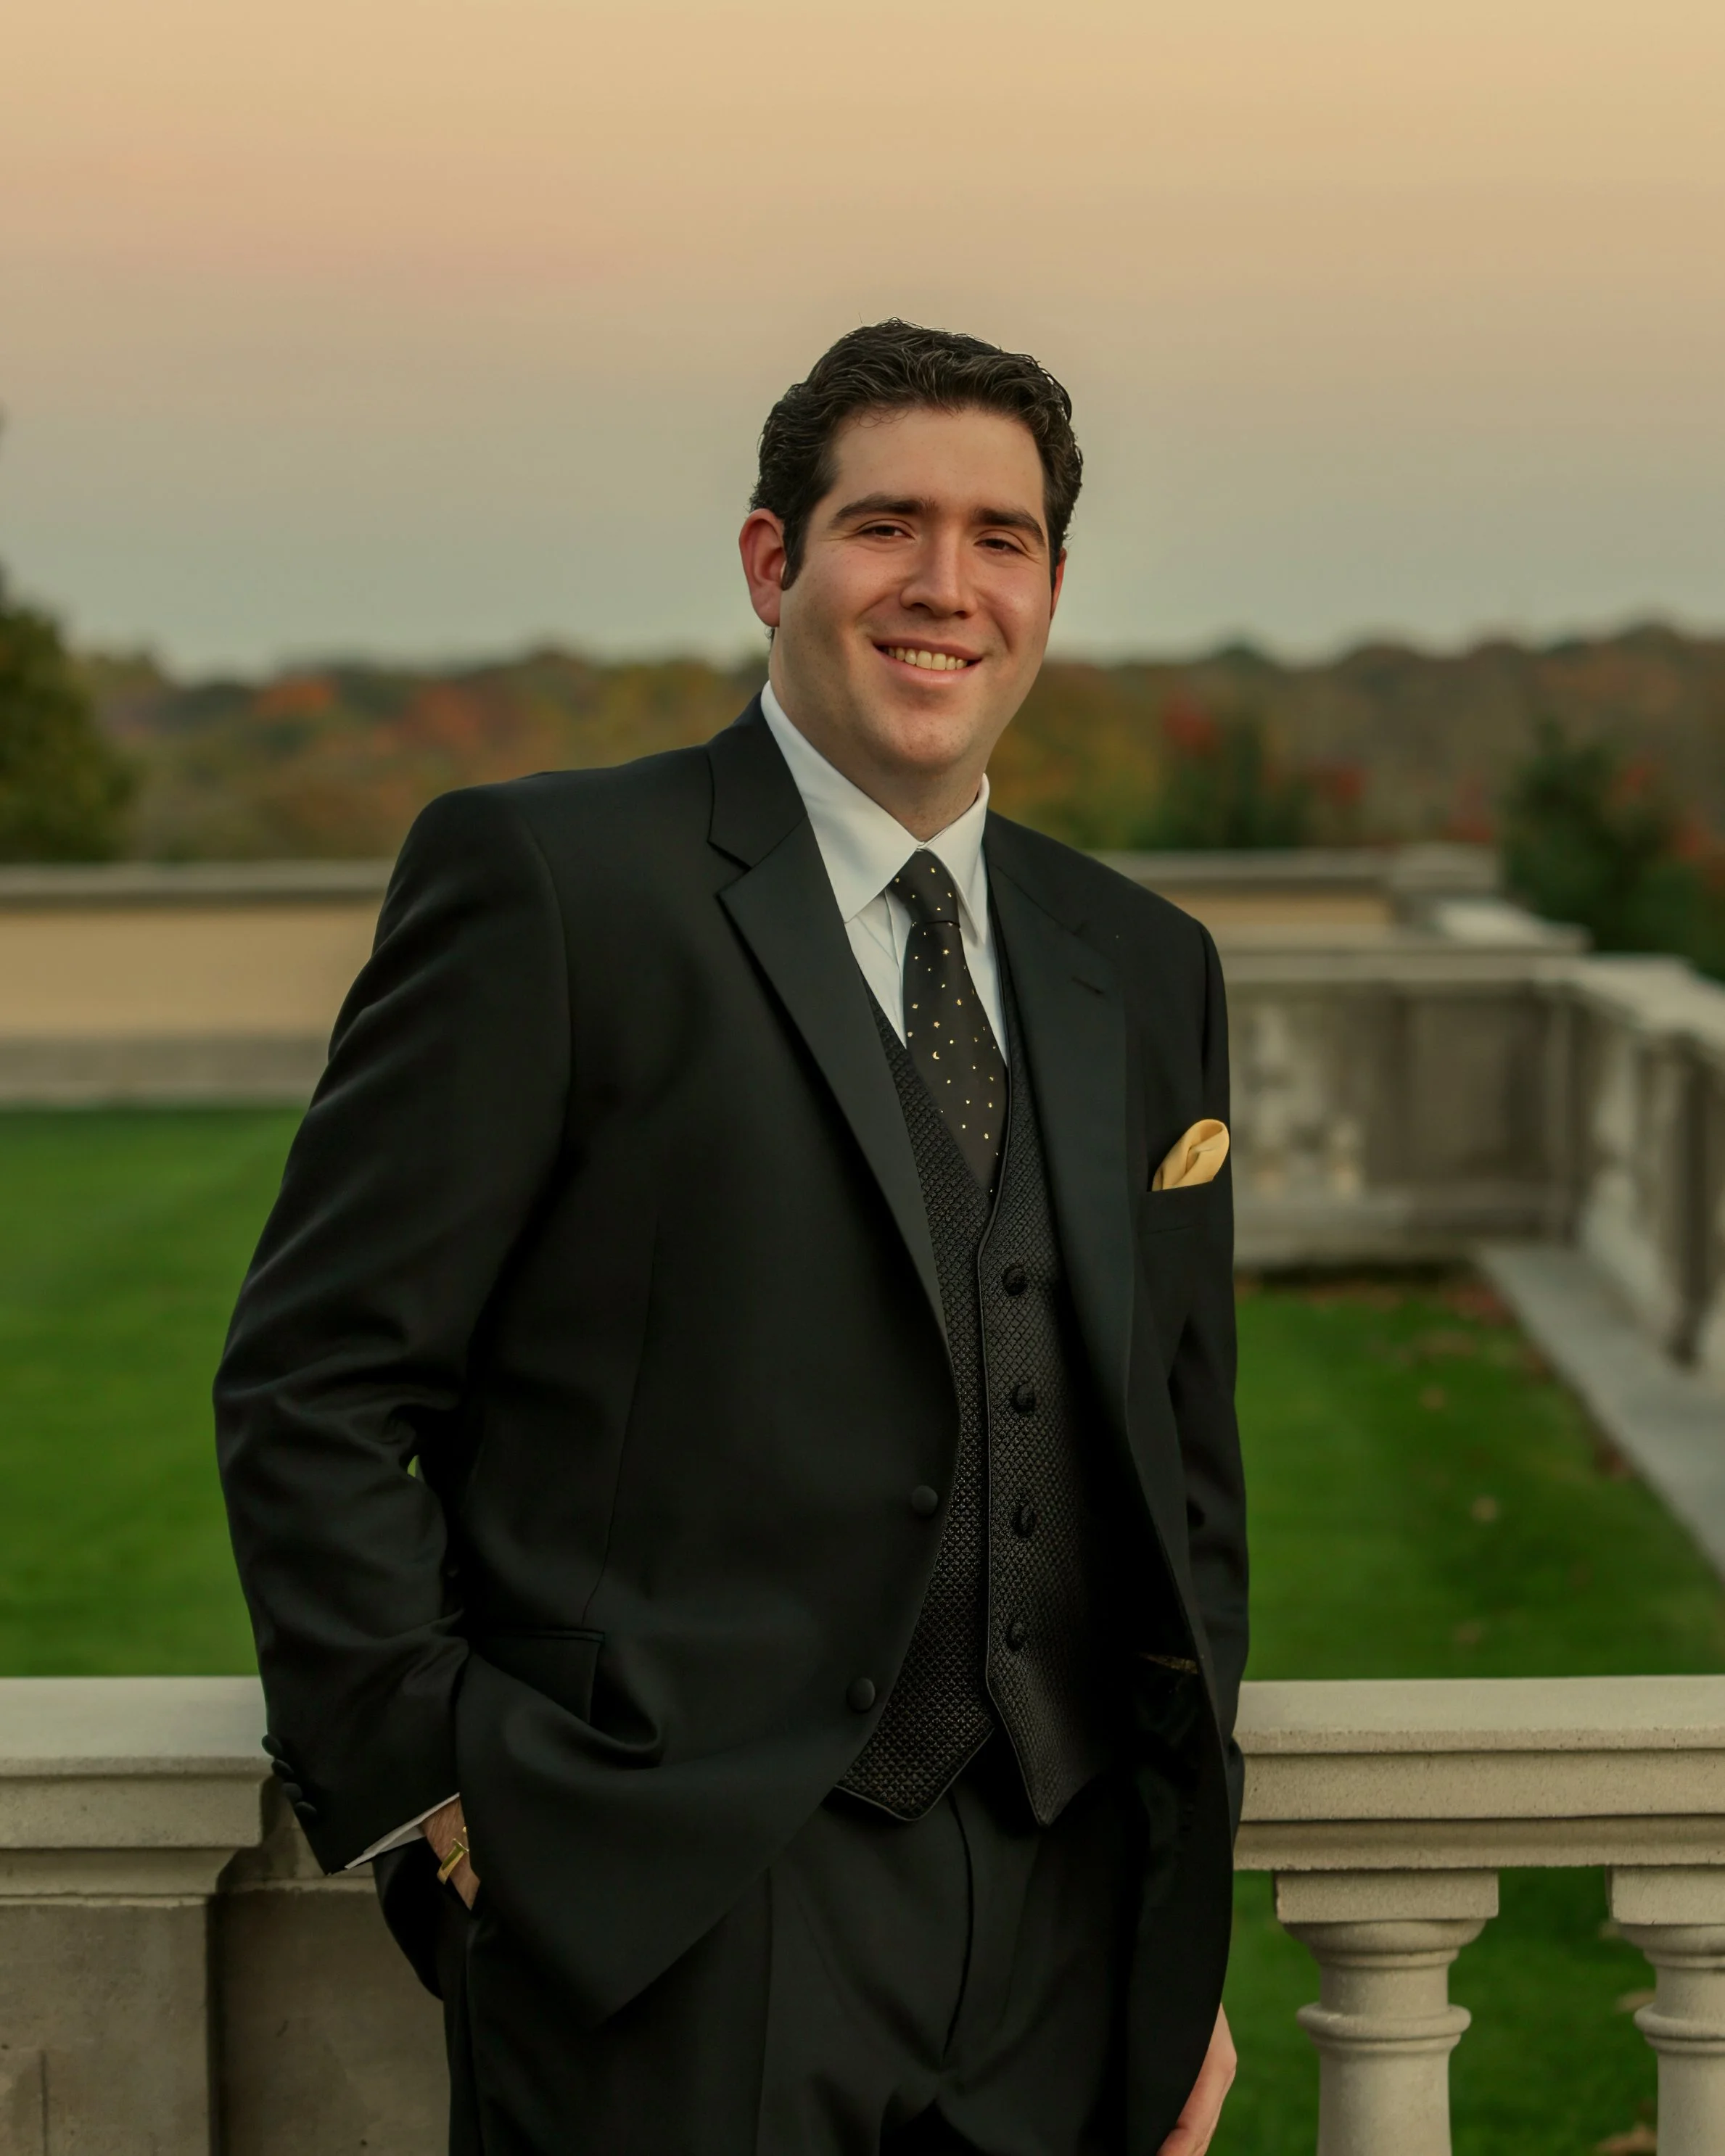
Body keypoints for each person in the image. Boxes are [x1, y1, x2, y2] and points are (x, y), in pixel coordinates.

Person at [215, 319, 1247, 2156]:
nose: (945, 587)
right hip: (670, 1924)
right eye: (886, 526)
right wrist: (456, 1807)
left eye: (1000, 540)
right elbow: (314, 1385)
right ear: (773, 559)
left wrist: (1172, 1931)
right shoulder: (552, 883)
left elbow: (1180, 1480)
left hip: (1058, 1937)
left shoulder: (1141, 964)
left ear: (1053, 590)